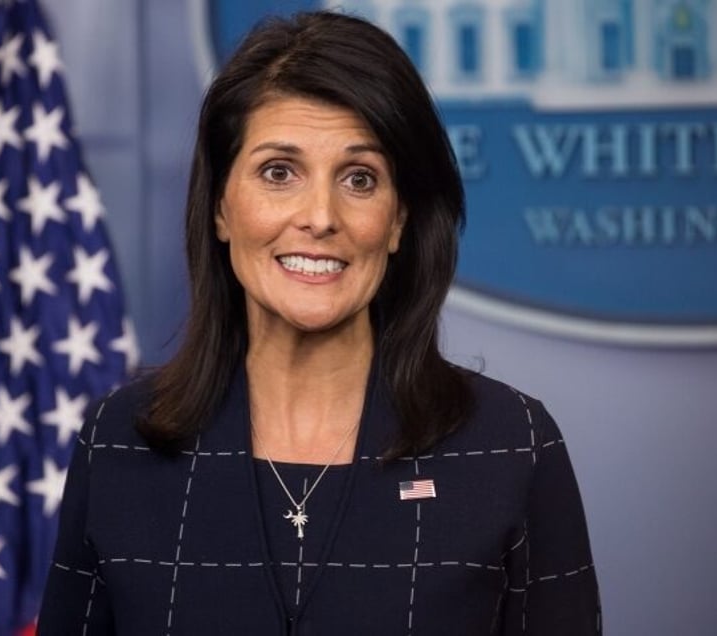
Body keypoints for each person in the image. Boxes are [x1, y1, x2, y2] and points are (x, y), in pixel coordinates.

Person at [37, 11, 600, 635]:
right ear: (221, 206)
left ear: (398, 220)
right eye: (279, 172)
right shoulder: (118, 442)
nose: (320, 216)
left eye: (360, 179)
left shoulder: (511, 443)